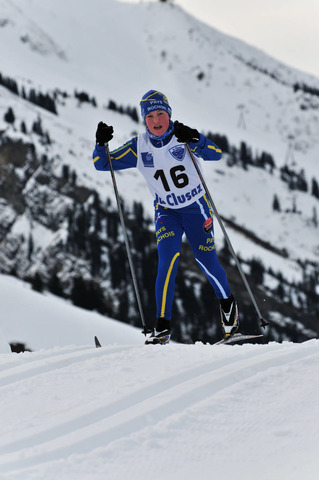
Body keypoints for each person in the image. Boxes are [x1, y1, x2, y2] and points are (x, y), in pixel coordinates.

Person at [92, 90, 238, 344]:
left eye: (161, 114)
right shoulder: (139, 147)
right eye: (150, 116)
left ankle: (228, 308)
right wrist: (101, 143)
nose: (156, 120)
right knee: (166, 261)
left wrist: (197, 139)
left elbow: (216, 153)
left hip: (196, 208)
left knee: (206, 262)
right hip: (166, 212)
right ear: (144, 119)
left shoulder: (182, 136)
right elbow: (103, 164)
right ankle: (162, 327)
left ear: (169, 115)